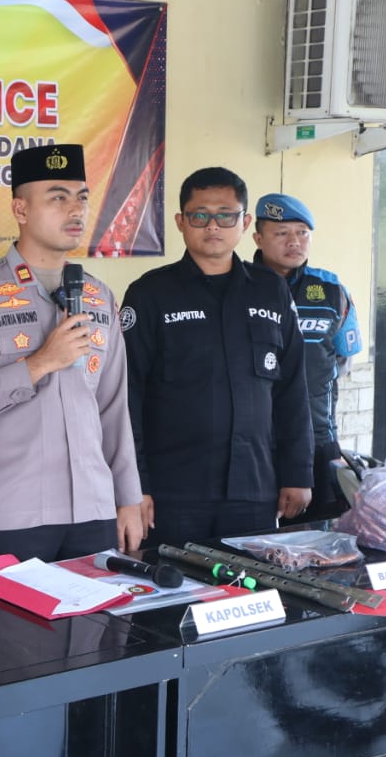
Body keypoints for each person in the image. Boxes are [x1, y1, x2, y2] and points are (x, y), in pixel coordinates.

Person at [0, 144, 143, 562]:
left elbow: (113, 408)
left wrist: (128, 498)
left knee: (98, 608)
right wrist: (39, 364)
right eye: (58, 198)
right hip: (13, 514)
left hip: (94, 511)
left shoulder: (98, 296)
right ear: (21, 209)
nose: (76, 210)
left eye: (81, 197)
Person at [121, 167, 313, 548]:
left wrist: (298, 473)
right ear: (181, 222)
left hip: (253, 489)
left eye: (225, 215)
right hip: (172, 493)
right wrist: (134, 485)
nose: (213, 226)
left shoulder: (270, 291)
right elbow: (129, 398)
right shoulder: (149, 294)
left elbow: (292, 390)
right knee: (172, 586)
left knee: (251, 584)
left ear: (244, 222)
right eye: (200, 215)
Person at [253, 193, 362, 520]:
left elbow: (342, 361)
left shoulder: (331, 290)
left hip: (318, 440)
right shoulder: (240, 287)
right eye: (282, 233)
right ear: (258, 238)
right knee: (252, 536)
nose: (294, 242)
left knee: (318, 533)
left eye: (302, 233)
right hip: (254, 443)